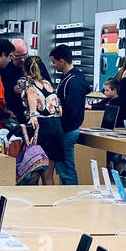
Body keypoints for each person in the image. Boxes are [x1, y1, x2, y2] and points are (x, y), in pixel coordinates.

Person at [17, 54, 60, 185]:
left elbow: (31, 92)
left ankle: (35, 202)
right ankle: (51, 203)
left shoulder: (25, 81)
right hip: (55, 127)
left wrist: (33, 113)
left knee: (33, 171)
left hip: (39, 128)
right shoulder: (48, 83)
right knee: (49, 176)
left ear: (25, 68)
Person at [50, 44, 88, 187]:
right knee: (64, 169)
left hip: (67, 130)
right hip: (67, 129)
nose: (53, 66)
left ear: (62, 61)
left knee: (67, 169)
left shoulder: (72, 81)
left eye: (54, 62)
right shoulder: (70, 78)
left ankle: (72, 198)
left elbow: (71, 110)